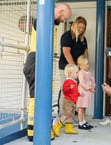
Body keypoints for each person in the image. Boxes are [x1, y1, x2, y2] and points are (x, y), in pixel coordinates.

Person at [23, 3, 72, 141]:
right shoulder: (43, 20)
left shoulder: (48, 22)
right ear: (60, 10)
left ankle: (38, 129)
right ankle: (33, 132)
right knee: (36, 97)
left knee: (41, 96)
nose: (63, 21)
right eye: (64, 17)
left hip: (40, 60)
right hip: (36, 59)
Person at [58, 16, 88, 116]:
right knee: (66, 92)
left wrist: (84, 68)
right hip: (67, 69)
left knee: (76, 92)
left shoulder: (83, 39)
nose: (81, 30)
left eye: (83, 28)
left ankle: (71, 115)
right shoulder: (67, 36)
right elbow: (66, 53)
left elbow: (85, 54)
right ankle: (64, 115)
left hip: (78, 71)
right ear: (75, 25)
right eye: (79, 27)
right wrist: (75, 69)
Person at [53, 64, 79, 137]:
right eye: (76, 72)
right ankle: (57, 126)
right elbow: (64, 90)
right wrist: (69, 88)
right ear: (70, 73)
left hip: (73, 101)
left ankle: (68, 128)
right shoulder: (68, 81)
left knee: (71, 115)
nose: (78, 74)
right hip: (68, 101)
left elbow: (74, 91)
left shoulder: (73, 81)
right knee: (66, 114)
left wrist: (78, 93)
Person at [76, 55, 95, 130]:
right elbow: (82, 83)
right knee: (81, 107)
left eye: (88, 64)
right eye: (86, 64)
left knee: (84, 107)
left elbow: (92, 80)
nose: (88, 66)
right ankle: (80, 122)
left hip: (87, 92)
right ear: (80, 65)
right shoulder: (81, 73)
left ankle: (84, 121)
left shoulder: (89, 73)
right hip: (83, 92)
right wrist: (89, 88)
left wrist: (93, 86)